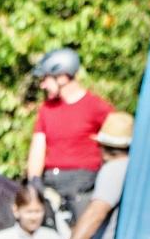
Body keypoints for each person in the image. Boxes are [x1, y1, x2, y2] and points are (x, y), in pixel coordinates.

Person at [26, 48, 113, 221]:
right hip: (51, 182)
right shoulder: (47, 109)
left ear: (63, 78)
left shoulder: (96, 107)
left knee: (84, 227)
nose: (42, 85)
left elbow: (118, 141)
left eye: (46, 79)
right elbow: (37, 149)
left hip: (83, 185)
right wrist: (33, 181)